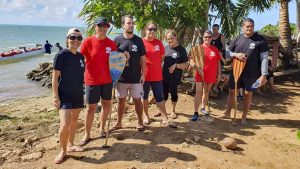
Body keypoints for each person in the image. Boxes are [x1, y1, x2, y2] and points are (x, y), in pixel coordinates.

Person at [222, 18, 269, 125]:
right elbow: (227, 53)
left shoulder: (260, 40)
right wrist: (236, 54)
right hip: (236, 70)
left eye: (251, 26)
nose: (249, 28)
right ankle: (227, 113)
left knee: (248, 94)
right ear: (243, 27)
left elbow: (264, 58)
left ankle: (244, 117)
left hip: (252, 73)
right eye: (247, 26)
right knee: (232, 91)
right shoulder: (237, 38)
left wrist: (264, 75)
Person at [79, 17, 117, 146]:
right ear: (95, 27)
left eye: (105, 25)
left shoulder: (111, 44)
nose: (102, 28)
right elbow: (79, 59)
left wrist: (125, 57)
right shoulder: (88, 42)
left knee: (106, 105)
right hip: (92, 80)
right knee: (91, 108)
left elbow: (116, 61)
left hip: (107, 80)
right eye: (99, 25)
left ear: (107, 27)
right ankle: (87, 134)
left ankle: (101, 129)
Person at [52, 28, 85, 164]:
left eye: (79, 38)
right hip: (64, 95)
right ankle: (63, 151)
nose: (76, 40)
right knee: (64, 125)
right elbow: (54, 78)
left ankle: (71, 144)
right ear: (67, 39)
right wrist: (55, 97)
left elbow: (80, 75)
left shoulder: (80, 56)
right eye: (73, 37)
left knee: (74, 120)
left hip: (77, 94)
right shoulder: (61, 55)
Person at [111, 15, 146, 131]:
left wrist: (143, 74)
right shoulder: (117, 40)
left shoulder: (139, 40)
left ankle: (140, 122)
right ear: (122, 25)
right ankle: (119, 123)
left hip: (136, 77)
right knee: (121, 101)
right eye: (128, 23)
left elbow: (143, 59)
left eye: (132, 23)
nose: (131, 25)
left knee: (137, 100)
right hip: (121, 78)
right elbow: (112, 59)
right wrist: (121, 57)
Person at [142, 22, 177, 128]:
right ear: (146, 30)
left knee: (160, 97)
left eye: (154, 29)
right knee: (144, 97)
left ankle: (164, 117)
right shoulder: (141, 42)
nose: (152, 31)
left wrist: (155, 65)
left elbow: (161, 58)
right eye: (150, 29)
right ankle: (146, 116)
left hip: (157, 75)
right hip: (144, 75)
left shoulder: (159, 43)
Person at [190, 30, 222, 121]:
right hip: (200, 73)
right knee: (199, 92)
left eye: (209, 37)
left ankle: (203, 107)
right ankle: (195, 113)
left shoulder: (215, 49)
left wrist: (219, 73)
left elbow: (218, 62)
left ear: (212, 38)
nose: (207, 38)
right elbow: (191, 60)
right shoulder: (198, 48)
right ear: (203, 38)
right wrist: (192, 64)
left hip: (211, 74)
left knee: (207, 91)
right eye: (205, 37)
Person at [163, 30, 189, 119]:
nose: (170, 40)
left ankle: (173, 111)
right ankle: (163, 111)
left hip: (175, 77)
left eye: (172, 38)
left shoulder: (181, 50)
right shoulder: (165, 48)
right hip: (164, 76)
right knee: (164, 93)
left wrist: (176, 65)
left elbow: (186, 65)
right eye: (168, 39)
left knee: (173, 93)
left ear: (176, 37)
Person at [211, 24, 226, 93]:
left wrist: (221, 56)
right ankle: (210, 86)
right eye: (213, 29)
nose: (214, 31)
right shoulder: (210, 36)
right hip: (210, 57)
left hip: (219, 56)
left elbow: (224, 47)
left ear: (218, 29)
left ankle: (215, 86)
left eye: (215, 29)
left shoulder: (221, 36)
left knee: (218, 73)